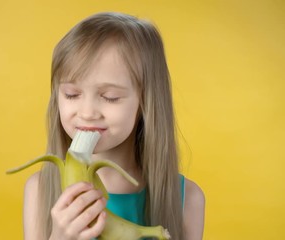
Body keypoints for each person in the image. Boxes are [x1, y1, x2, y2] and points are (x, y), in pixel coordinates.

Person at [23, 12, 205, 240]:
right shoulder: (40, 191)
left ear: (146, 102)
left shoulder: (187, 200)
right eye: (72, 94)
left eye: (109, 97)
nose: (87, 113)